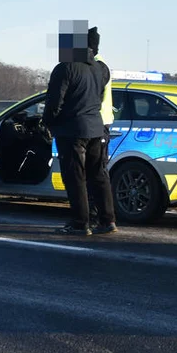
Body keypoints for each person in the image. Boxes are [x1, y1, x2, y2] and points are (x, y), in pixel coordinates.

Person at [42, 22, 115, 235]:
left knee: (75, 177)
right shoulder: (98, 68)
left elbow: (54, 101)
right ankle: (107, 220)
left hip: (72, 129)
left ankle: (80, 222)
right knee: (98, 174)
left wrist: (48, 122)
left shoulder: (65, 67)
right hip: (95, 127)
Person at [86, 26, 118, 234]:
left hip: (95, 125)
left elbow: (90, 97)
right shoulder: (100, 66)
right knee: (95, 174)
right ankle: (101, 218)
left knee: (93, 174)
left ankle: (98, 218)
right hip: (100, 124)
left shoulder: (97, 67)